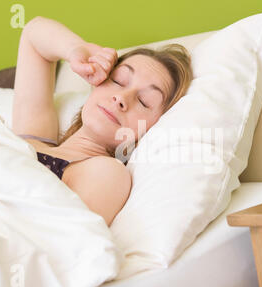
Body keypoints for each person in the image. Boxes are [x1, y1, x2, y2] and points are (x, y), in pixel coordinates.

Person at [12, 16, 193, 226]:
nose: (122, 99)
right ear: (97, 83)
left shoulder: (108, 173)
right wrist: (78, 50)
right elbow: (33, 34)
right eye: (118, 80)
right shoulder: (33, 136)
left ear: (151, 129)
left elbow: (53, 240)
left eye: (144, 102)